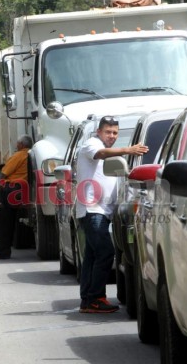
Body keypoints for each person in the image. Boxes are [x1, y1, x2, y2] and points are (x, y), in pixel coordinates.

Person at [77, 115, 149, 313]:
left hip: (102, 212)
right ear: (99, 132)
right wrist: (128, 149)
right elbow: (100, 153)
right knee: (105, 253)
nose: (111, 136)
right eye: (108, 132)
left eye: (115, 133)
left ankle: (87, 300)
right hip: (93, 211)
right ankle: (95, 298)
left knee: (92, 257)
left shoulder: (111, 152)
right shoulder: (91, 144)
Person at [0, 134, 33, 260]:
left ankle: (2, 253)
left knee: (4, 223)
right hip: (23, 190)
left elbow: (3, 174)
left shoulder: (18, 155)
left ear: (21, 145)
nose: (16, 145)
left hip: (10, 190)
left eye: (18, 143)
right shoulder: (31, 155)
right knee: (14, 221)